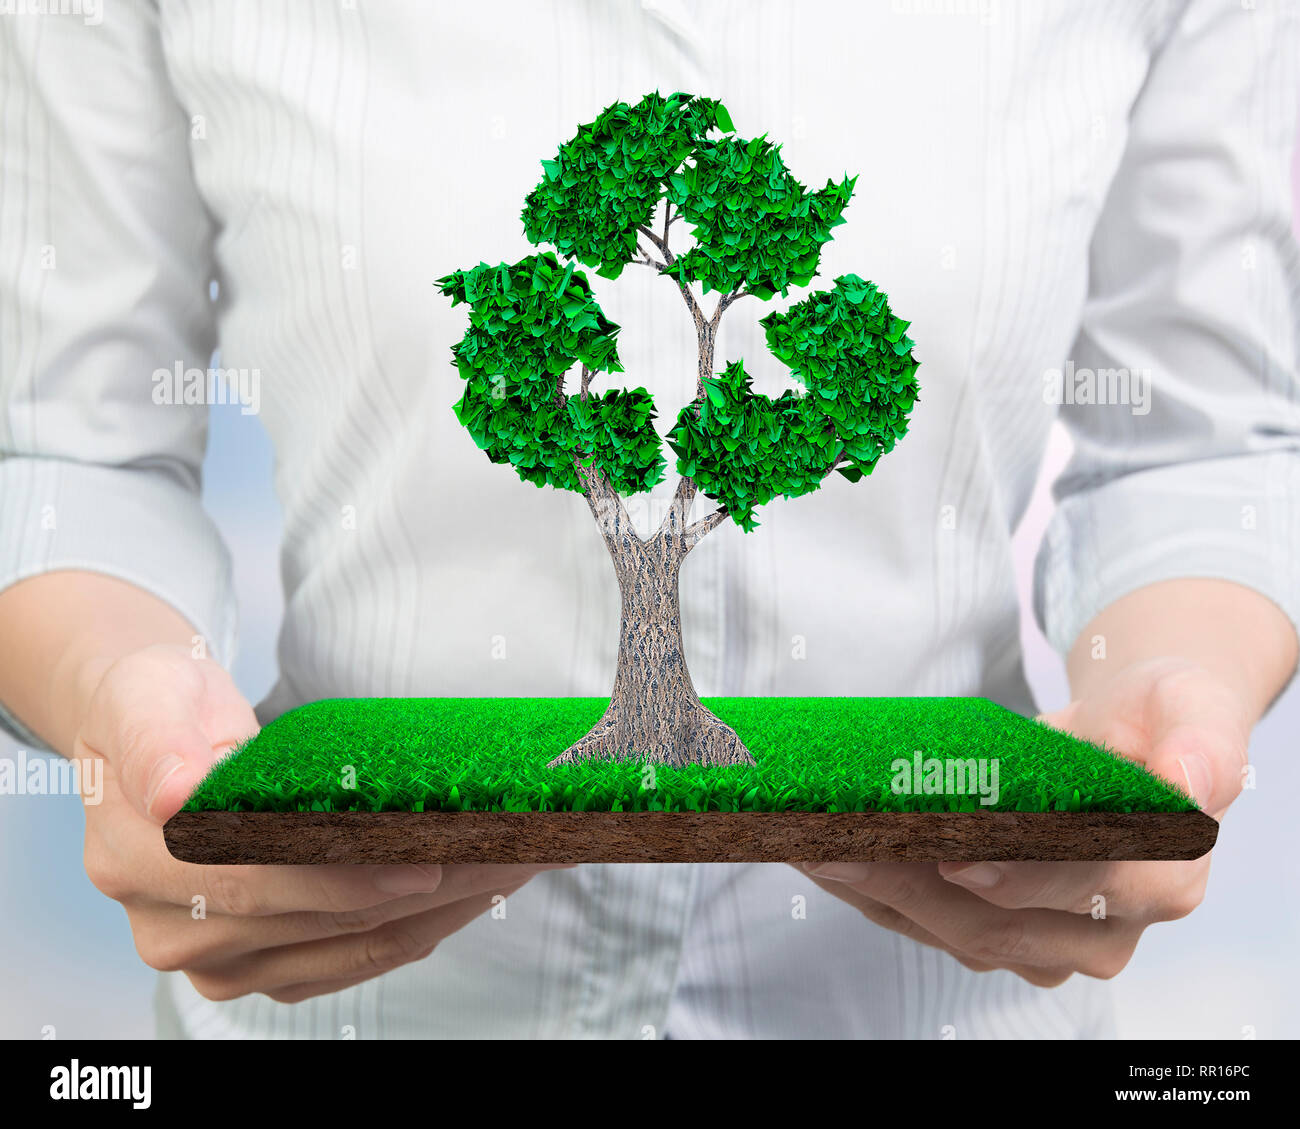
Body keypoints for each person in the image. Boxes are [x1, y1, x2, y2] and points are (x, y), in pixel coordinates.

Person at [0, 0, 1296, 1039]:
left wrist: (1175, 689)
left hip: (953, 1006)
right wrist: (121, 690)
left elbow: (1203, 440)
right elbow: (63, 442)